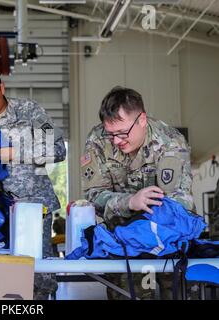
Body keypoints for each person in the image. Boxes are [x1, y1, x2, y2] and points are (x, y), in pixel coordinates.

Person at [0, 64, 66, 300]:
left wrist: (14, 152)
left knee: (36, 281)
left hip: (32, 210)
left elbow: (58, 149)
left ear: (1, 87)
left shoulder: (29, 111)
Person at [81, 86, 195, 300]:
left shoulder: (170, 142)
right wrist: (130, 202)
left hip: (167, 238)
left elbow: (182, 203)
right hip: (123, 242)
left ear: (142, 119)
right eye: (111, 133)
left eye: (122, 133)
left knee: (177, 293)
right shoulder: (98, 141)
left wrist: (148, 221)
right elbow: (93, 196)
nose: (116, 140)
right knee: (129, 294)